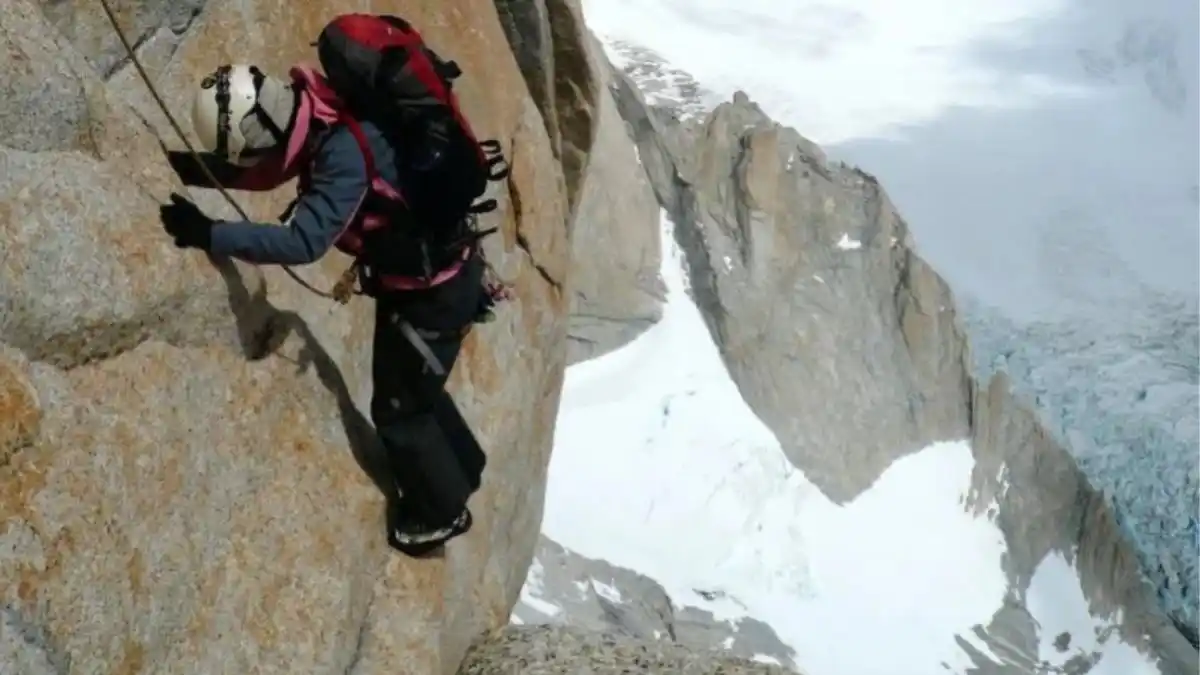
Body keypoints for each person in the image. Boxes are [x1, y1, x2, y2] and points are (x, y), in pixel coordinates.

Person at [159, 20, 506, 557]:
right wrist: (195, 171)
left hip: (429, 291)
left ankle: (440, 512)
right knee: (417, 389)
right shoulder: (316, 104)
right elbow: (274, 165)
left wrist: (211, 234)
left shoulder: (343, 154)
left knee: (398, 409)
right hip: (429, 279)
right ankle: (463, 469)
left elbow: (303, 242)